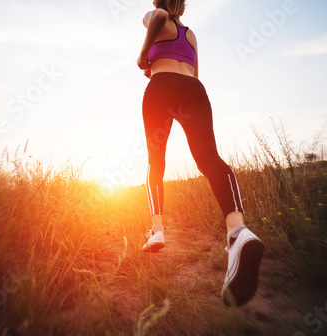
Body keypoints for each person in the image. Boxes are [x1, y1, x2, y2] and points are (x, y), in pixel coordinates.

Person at [137, 0, 264, 307]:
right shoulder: (190, 35)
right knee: (209, 159)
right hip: (193, 90)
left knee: (156, 162)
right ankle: (238, 232)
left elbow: (157, 17)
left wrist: (143, 57)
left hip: (161, 87)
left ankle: (157, 230)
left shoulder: (156, 16)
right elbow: (194, 71)